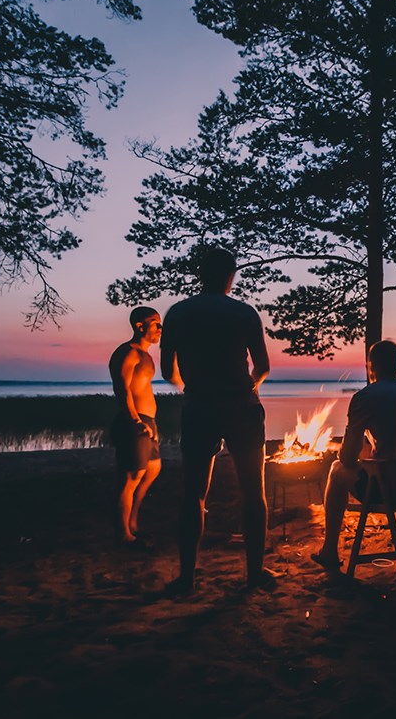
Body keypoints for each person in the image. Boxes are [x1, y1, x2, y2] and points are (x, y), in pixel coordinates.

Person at [159, 247, 272, 594]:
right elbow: (263, 365)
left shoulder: (178, 313)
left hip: (199, 408)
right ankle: (255, 573)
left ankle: (187, 576)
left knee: (193, 493)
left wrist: (191, 389)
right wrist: (248, 387)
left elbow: (167, 370)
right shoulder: (243, 313)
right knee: (254, 492)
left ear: (200, 274)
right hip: (241, 406)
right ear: (231, 275)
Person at [311, 340, 396, 571]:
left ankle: (329, 552)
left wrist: (352, 455)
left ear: (371, 367)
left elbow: (346, 458)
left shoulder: (366, 397)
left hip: (388, 489)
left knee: (336, 469)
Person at [108, 306, 163, 548]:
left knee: (152, 469)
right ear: (140, 326)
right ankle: (123, 534)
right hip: (135, 422)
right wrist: (136, 421)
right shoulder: (127, 353)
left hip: (148, 421)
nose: (160, 329)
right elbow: (122, 389)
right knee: (130, 477)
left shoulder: (147, 355)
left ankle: (133, 522)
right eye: (155, 323)